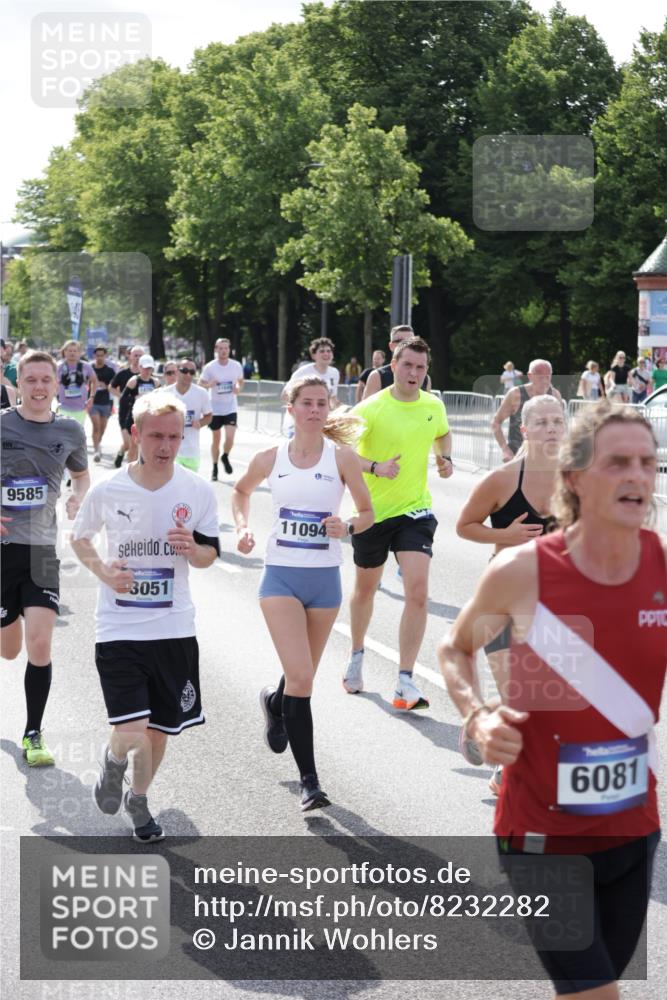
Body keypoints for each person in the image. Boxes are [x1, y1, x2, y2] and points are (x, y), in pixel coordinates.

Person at [438, 401, 665, 999]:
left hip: (634, 825)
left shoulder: (661, 567)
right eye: (618, 462)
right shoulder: (521, 572)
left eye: (647, 462)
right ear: (575, 479)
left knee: (592, 987)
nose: (637, 476)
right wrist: (478, 715)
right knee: (598, 995)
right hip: (541, 834)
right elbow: (455, 648)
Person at [71, 391, 220, 842]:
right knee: (132, 726)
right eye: (156, 435)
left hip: (174, 627)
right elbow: (81, 540)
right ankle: (113, 761)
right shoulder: (109, 489)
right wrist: (104, 573)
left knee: (158, 732)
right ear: (135, 434)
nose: (166, 445)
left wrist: (194, 550)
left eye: (175, 436)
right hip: (119, 627)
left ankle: (139, 799)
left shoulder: (196, 491)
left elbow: (210, 553)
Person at [232, 376, 373, 812]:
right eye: (306, 403)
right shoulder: (271, 457)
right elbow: (240, 491)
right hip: (280, 579)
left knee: (299, 676)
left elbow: (368, 513)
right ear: (290, 408)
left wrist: (346, 525)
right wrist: (242, 527)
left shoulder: (343, 457)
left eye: (321, 403)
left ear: (329, 408)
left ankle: (275, 704)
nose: (314, 410)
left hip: (325, 580)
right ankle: (310, 783)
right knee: (305, 679)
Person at [455, 394, 566, 793]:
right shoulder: (502, 479)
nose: (552, 429)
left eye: (558, 421)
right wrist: (504, 535)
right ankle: (507, 771)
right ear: (524, 430)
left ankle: (482, 725)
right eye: (543, 422)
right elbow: (464, 525)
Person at [343, 337, 452, 709]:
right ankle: (356, 653)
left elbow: (442, 433)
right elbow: (341, 452)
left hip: (415, 511)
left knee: (418, 591)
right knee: (365, 590)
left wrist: (446, 457)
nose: (414, 374)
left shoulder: (433, 405)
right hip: (373, 513)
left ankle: (405, 680)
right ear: (394, 365)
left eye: (421, 368)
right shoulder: (371, 408)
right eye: (408, 366)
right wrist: (375, 467)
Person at [1, 351, 90, 766]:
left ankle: (33, 732)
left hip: (41, 552)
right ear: (18, 383)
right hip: (2, 552)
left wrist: (77, 495)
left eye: (45, 380)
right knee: (8, 650)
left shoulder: (70, 431)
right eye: (30, 379)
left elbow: (82, 474)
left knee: (40, 643)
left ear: (57, 385)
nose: (38, 387)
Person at [491, 358, 563, 461]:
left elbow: (562, 424)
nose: (544, 380)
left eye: (547, 376)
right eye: (539, 375)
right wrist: (505, 450)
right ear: (530, 376)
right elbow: (496, 422)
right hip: (519, 458)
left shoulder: (555, 395)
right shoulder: (516, 394)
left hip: (547, 458)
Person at [199, 338, 244, 480]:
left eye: (226, 348)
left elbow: (241, 381)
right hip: (215, 408)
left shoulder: (236, 365)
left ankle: (225, 456)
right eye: (221, 348)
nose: (224, 351)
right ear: (216, 349)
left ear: (229, 349)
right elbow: (200, 382)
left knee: (230, 438)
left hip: (231, 406)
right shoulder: (210, 367)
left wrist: (237, 388)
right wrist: (210, 384)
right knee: (216, 439)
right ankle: (215, 467)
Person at [164, 359, 212, 471]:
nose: (188, 374)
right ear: (177, 372)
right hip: (170, 450)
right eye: (184, 370)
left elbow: (209, 416)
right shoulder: (165, 393)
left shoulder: (201, 393)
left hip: (191, 451)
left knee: (189, 487)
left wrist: (200, 423)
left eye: (192, 372)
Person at [362, 326, 431, 399]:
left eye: (410, 341)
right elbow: (366, 407)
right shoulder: (377, 376)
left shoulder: (425, 378)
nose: (406, 345)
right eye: (400, 341)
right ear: (391, 346)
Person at [119, 355, 161, 464]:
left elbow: (162, 399)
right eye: (146, 368)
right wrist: (134, 398)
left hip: (150, 417)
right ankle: (130, 468)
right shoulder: (134, 381)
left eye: (150, 368)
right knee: (134, 445)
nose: (148, 371)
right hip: (134, 417)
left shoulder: (155, 382)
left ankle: (143, 467)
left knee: (147, 445)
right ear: (140, 367)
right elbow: (123, 399)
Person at [110, 345, 143, 468]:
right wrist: (123, 396)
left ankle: (134, 469)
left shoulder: (147, 375)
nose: (138, 358)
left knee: (137, 444)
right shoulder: (123, 373)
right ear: (130, 356)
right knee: (128, 443)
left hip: (141, 414)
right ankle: (121, 452)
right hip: (125, 412)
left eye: (141, 356)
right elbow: (111, 387)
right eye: (135, 355)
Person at [56, 340, 97, 425]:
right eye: (70, 350)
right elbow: (51, 383)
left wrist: (92, 397)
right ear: (65, 352)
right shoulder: (58, 366)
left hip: (80, 408)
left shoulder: (86, 366)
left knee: (77, 435)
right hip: (63, 407)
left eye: (75, 351)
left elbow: (94, 381)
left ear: (79, 353)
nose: (72, 353)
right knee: (63, 434)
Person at [89, 345, 117, 461]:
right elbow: (84, 382)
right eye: (98, 355)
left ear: (105, 356)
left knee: (103, 428)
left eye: (102, 355)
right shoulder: (90, 369)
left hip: (106, 402)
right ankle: (96, 450)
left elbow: (115, 386)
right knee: (96, 426)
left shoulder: (110, 371)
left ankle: (98, 443)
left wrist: (107, 386)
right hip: (93, 401)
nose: (100, 358)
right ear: (94, 356)